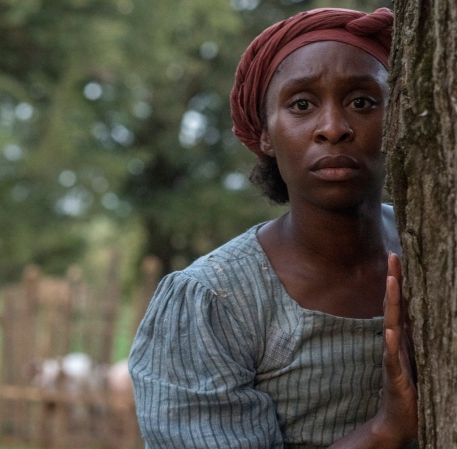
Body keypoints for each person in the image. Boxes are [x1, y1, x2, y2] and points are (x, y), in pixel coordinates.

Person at [129, 7, 418, 449]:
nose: (333, 128)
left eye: (362, 102)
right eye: (301, 105)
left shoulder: (431, 250)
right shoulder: (214, 302)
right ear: (265, 133)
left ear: (395, 118)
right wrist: (386, 430)